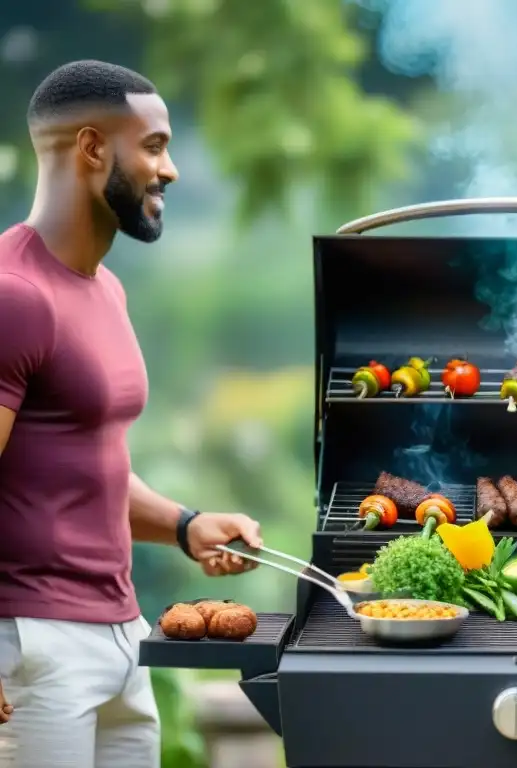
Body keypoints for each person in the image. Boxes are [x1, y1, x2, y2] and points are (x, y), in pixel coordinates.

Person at [0, 60, 264, 768]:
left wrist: (183, 525)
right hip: (32, 645)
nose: (169, 169)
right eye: (153, 145)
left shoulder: (106, 291)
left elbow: (82, 468)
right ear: (91, 148)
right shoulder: (12, 295)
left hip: (122, 634)